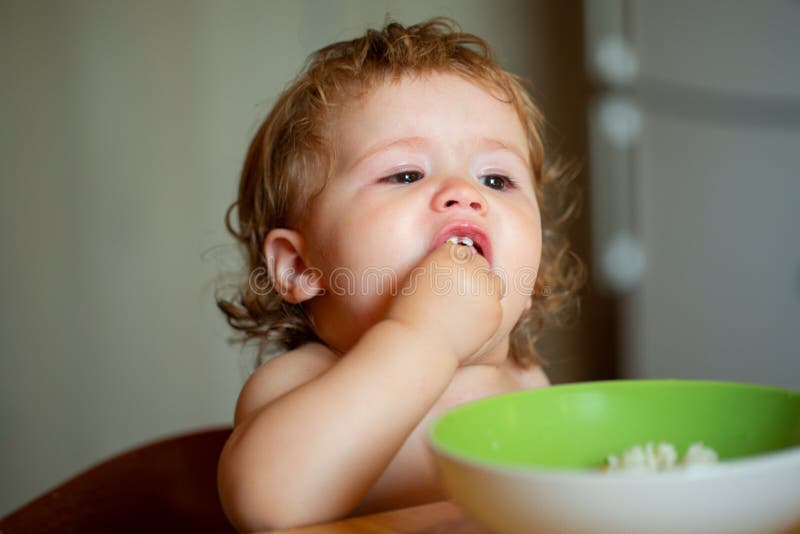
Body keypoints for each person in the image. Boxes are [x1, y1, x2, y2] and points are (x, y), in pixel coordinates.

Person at [216, 18, 583, 531]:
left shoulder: (526, 386)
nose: (465, 194)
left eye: (496, 179)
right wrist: (424, 335)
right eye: (406, 173)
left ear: (533, 278)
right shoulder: (299, 385)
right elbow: (268, 504)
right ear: (301, 267)